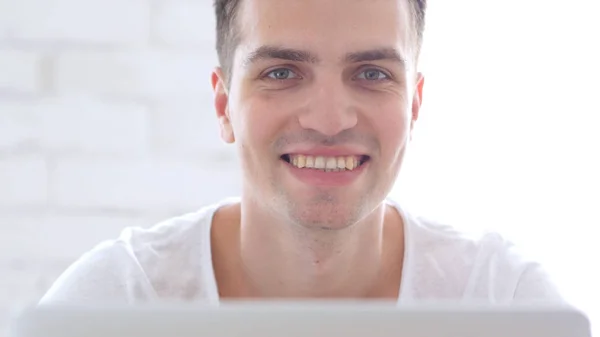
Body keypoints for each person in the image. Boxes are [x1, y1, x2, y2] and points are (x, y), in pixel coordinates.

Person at [40, 0, 563, 304]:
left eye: (373, 74)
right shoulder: (114, 301)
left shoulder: (504, 302)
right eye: (282, 73)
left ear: (415, 104)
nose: (330, 120)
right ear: (224, 105)